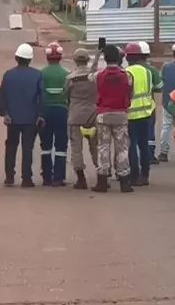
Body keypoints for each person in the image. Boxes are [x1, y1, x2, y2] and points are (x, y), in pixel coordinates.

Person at [0, 42, 43, 188]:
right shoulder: (37, 75)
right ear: (30, 59)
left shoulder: (8, 75)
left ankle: (9, 177)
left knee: (11, 147)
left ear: (17, 58)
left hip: (13, 118)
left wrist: (5, 113)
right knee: (27, 148)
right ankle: (27, 179)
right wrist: (40, 114)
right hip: (30, 118)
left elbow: (1, 95)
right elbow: (42, 97)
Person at [90, 44, 133, 193]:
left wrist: (96, 59)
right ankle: (124, 182)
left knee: (103, 147)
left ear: (105, 58)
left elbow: (90, 75)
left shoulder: (99, 75)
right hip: (121, 114)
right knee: (122, 148)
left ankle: (102, 181)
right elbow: (130, 92)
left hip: (103, 115)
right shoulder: (127, 75)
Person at [65, 48, 98, 189]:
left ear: (74, 60)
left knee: (76, 148)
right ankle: (102, 176)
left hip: (76, 116)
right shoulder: (95, 76)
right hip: (93, 116)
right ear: (88, 60)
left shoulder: (70, 78)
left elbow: (65, 95)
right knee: (96, 148)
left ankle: (81, 179)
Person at [39, 42, 69, 187]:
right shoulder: (67, 73)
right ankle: (58, 177)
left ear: (47, 56)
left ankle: (46, 177)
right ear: (60, 56)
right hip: (62, 111)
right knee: (61, 145)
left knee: (45, 145)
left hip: (45, 112)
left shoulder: (41, 73)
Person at [125, 42, 153, 186]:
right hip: (147, 113)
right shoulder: (147, 72)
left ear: (127, 57)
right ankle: (145, 175)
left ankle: (134, 176)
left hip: (131, 115)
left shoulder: (126, 72)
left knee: (131, 146)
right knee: (144, 146)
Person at [139, 41, 162, 164]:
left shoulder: (128, 69)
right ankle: (150, 155)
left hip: (132, 107)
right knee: (149, 130)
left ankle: (135, 155)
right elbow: (159, 87)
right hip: (149, 106)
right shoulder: (152, 70)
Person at [158, 43, 175, 162]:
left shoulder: (166, 67)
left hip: (169, 102)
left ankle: (164, 153)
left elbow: (161, 82)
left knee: (166, 126)